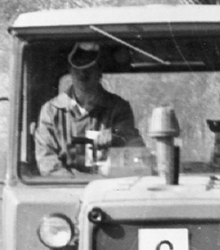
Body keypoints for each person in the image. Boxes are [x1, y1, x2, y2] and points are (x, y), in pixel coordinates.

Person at [34, 41, 143, 175]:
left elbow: (134, 151)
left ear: (100, 71)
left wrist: (116, 135)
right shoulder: (51, 111)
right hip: (64, 190)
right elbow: (47, 160)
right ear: (70, 70)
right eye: (77, 68)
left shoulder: (118, 108)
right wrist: (72, 183)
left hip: (109, 190)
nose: (82, 74)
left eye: (89, 68)